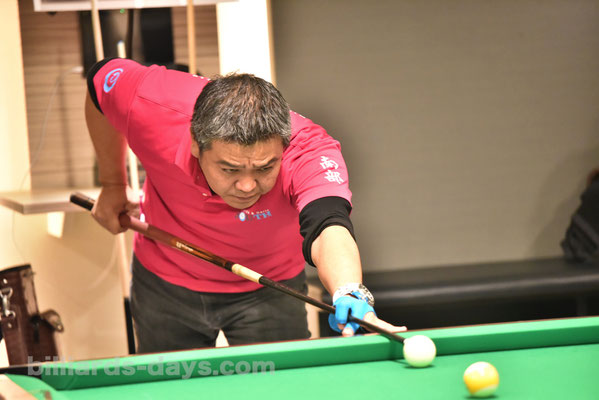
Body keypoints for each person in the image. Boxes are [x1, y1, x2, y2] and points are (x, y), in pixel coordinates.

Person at [85, 57, 401, 353]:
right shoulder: (151, 102)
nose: (248, 185)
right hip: (165, 280)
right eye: (230, 169)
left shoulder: (308, 150)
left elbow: (328, 223)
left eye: (264, 168)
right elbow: (99, 82)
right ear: (196, 144)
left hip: (271, 287)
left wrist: (348, 289)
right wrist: (112, 184)